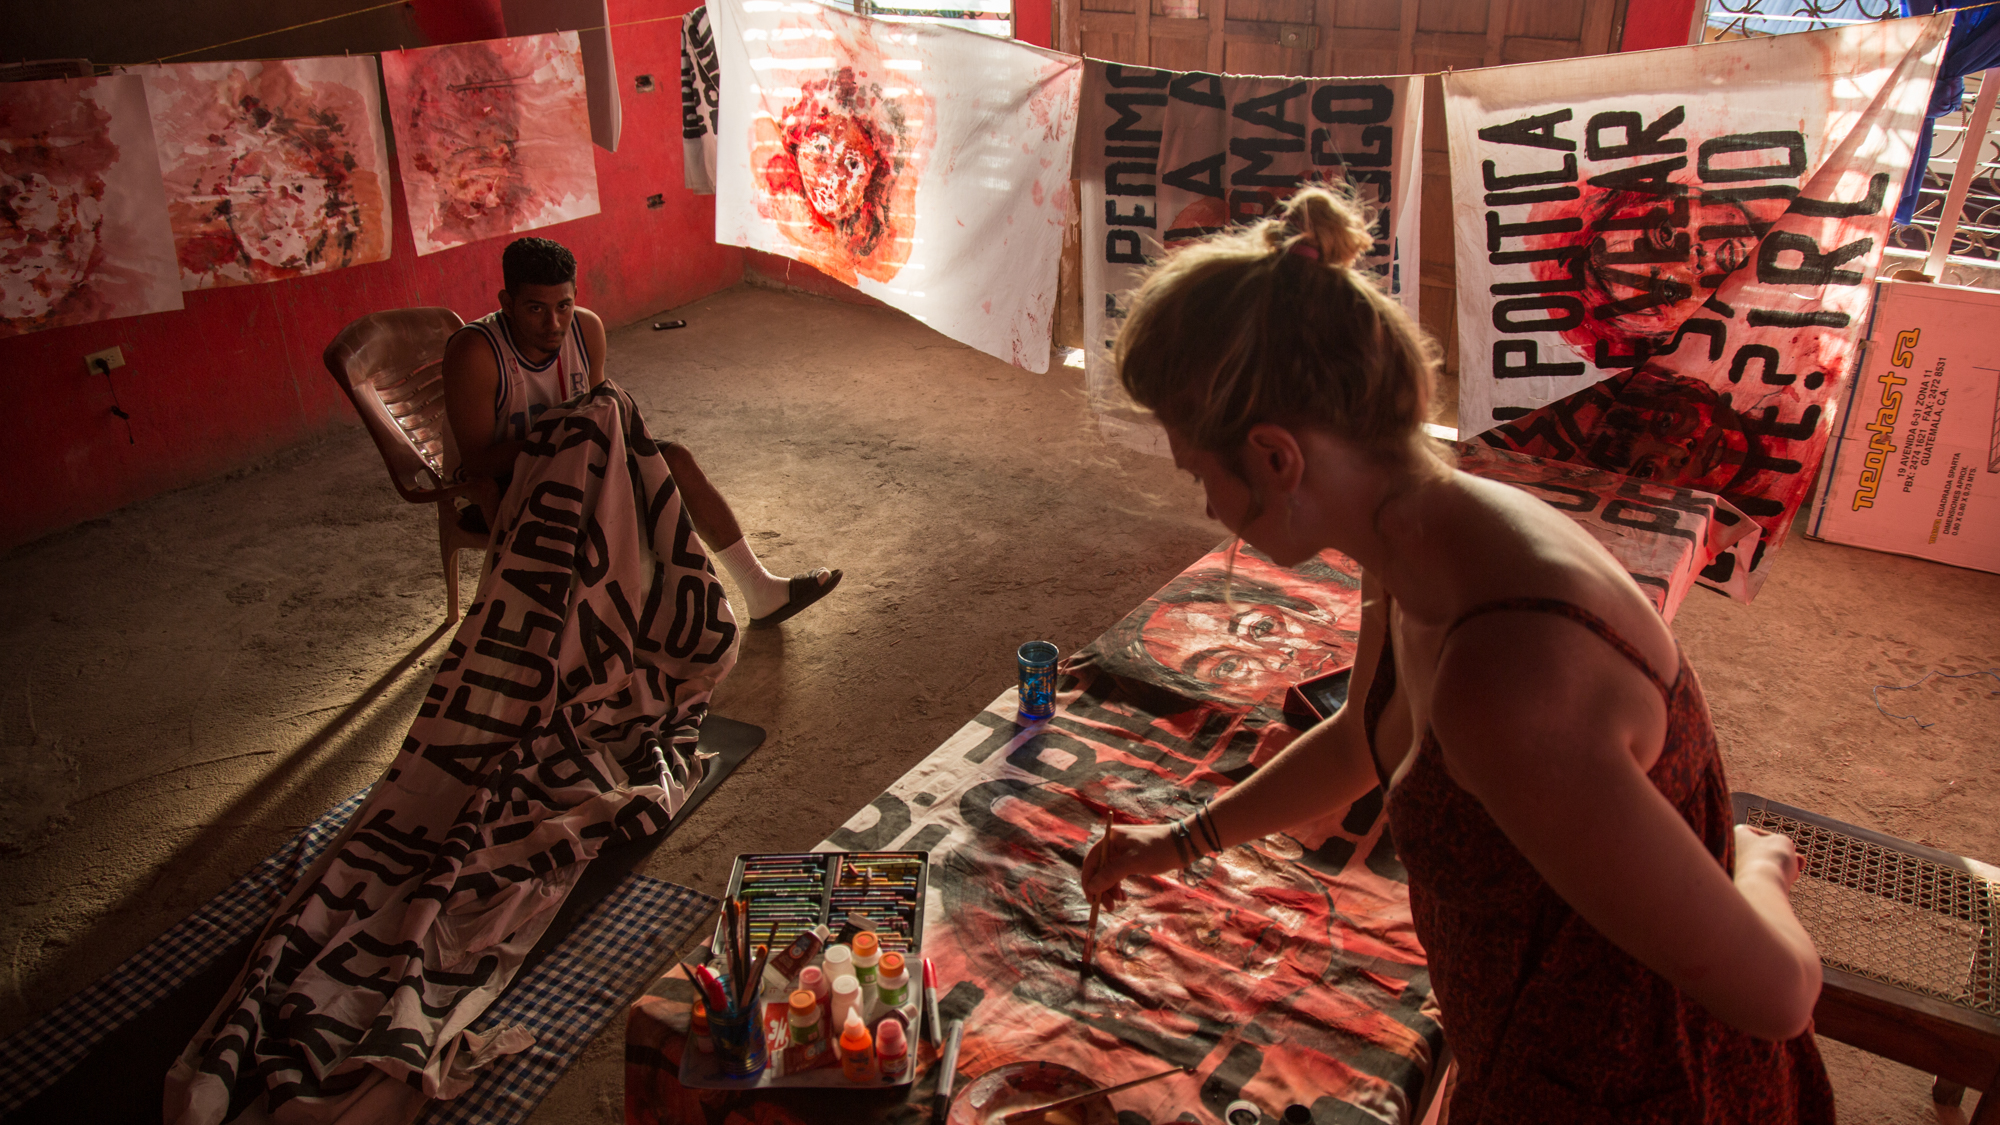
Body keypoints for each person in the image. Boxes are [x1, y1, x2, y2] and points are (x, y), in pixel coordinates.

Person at [1078, 187, 1834, 1122]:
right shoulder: (1417, 535)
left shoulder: (1506, 681)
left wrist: (1751, 867)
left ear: (1276, 458)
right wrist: (1180, 842)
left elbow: (1778, 996)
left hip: (1648, 1090)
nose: (1204, 505)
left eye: (1201, 472)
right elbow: (1365, 735)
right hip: (1532, 1050)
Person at [443, 236, 840, 627]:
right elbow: (477, 461)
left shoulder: (585, 329)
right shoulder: (476, 352)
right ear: (506, 303)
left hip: (577, 464)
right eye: (535, 309)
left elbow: (600, 417)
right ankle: (623, 628)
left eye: (564, 305)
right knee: (630, 500)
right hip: (504, 484)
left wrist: (599, 436)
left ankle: (759, 589)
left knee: (672, 460)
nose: (553, 323)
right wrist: (563, 432)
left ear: (575, 295)